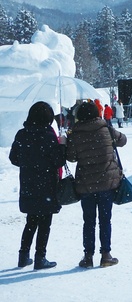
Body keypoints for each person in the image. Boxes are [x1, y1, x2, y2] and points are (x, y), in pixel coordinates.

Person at [66, 100, 127, 269]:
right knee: (105, 220)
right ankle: (106, 255)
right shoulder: (106, 129)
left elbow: (71, 157)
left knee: (89, 221)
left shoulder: (75, 134)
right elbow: (123, 141)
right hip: (107, 182)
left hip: (86, 184)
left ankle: (88, 256)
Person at [9, 101, 66, 270]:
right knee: (44, 222)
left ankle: (23, 255)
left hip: (28, 183)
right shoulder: (48, 135)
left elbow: (14, 158)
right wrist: (62, 145)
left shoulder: (21, 134)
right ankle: (40, 257)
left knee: (31, 221)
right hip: (46, 185)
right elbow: (59, 161)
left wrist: (29, 164)